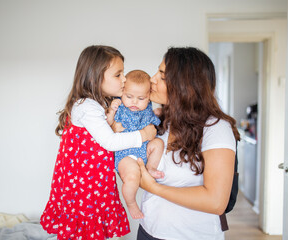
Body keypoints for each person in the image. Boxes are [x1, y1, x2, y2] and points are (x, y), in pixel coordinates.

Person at [40, 45, 157, 240]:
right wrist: (143, 135)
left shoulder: (95, 103)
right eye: (118, 75)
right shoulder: (87, 106)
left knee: (91, 226)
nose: (124, 79)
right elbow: (109, 142)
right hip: (84, 182)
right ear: (95, 78)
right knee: (86, 223)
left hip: (91, 178)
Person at [136, 47, 240, 240]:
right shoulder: (161, 121)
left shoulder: (216, 129)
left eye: (162, 76)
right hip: (148, 230)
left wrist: (153, 187)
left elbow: (216, 201)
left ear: (185, 86)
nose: (152, 79)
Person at [107, 70, 164, 220]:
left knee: (158, 143)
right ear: (122, 92)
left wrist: (160, 113)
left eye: (141, 98)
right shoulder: (120, 107)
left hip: (144, 151)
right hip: (126, 155)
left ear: (148, 97)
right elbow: (107, 126)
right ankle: (131, 204)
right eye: (129, 96)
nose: (134, 102)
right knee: (132, 177)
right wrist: (112, 113)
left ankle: (150, 167)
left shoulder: (148, 109)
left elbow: (157, 122)